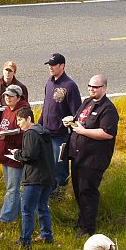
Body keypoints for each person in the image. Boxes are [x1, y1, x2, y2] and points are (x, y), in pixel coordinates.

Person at [65, 75, 119, 238]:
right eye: (89, 86)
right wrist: (71, 122)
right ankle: (82, 220)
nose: (91, 89)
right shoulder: (87, 102)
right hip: (77, 156)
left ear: (104, 88)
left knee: (87, 191)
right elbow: (79, 121)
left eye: (95, 87)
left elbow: (107, 133)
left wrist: (83, 131)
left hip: (93, 159)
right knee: (78, 190)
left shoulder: (108, 109)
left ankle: (89, 228)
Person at [38, 53, 82, 193]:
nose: (50, 67)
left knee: (59, 166)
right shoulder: (49, 82)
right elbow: (46, 106)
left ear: (62, 66)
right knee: (47, 165)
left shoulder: (70, 86)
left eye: (54, 65)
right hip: (46, 133)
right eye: (49, 65)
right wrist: (39, 125)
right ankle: (49, 193)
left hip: (60, 136)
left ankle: (60, 194)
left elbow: (77, 113)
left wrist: (71, 122)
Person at [11, 107, 54, 249]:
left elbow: (29, 155)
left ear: (29, 119)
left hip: (34, 178)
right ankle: (47, 236)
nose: (18, 124)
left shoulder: (30, 133)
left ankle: (25, 241)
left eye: (20, 120)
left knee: (27, 210)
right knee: (43, 207)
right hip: (47, 176)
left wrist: (17, 153)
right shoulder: (43, 132)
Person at [0, 61, 28, 198]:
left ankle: (13, 206)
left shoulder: (21, 87)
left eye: (10, 70)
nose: (7, 73)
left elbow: (25, 109)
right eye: (6, 70)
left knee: (12, 182)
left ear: (14, 72)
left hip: (13, 131)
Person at [0, 84, 30, 223]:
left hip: (15, 154)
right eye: (6, 96)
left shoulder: (23, 111)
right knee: (10, 187)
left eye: (11, 96)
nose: (8, 98)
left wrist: (8, 136)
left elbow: (24, 132)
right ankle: (19, 213)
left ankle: (6, 218)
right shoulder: (6, 110)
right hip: (4, 154)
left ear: (18, 97)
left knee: (12, 188)